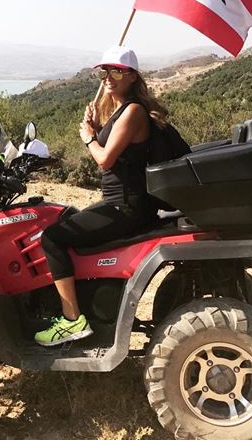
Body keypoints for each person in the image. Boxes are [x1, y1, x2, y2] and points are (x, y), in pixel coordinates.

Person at [34, 45, 169, 347]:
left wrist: (88, 138)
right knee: (67, 217)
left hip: (126, 207)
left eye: (117, 71)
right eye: (104, 71)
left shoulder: (133, 111)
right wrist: (96, 127)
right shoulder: (122, 111)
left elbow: (106, 158)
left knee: (52, 238)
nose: (108, 77)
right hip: (121, 204)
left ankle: (71, 320)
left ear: (132, 76)